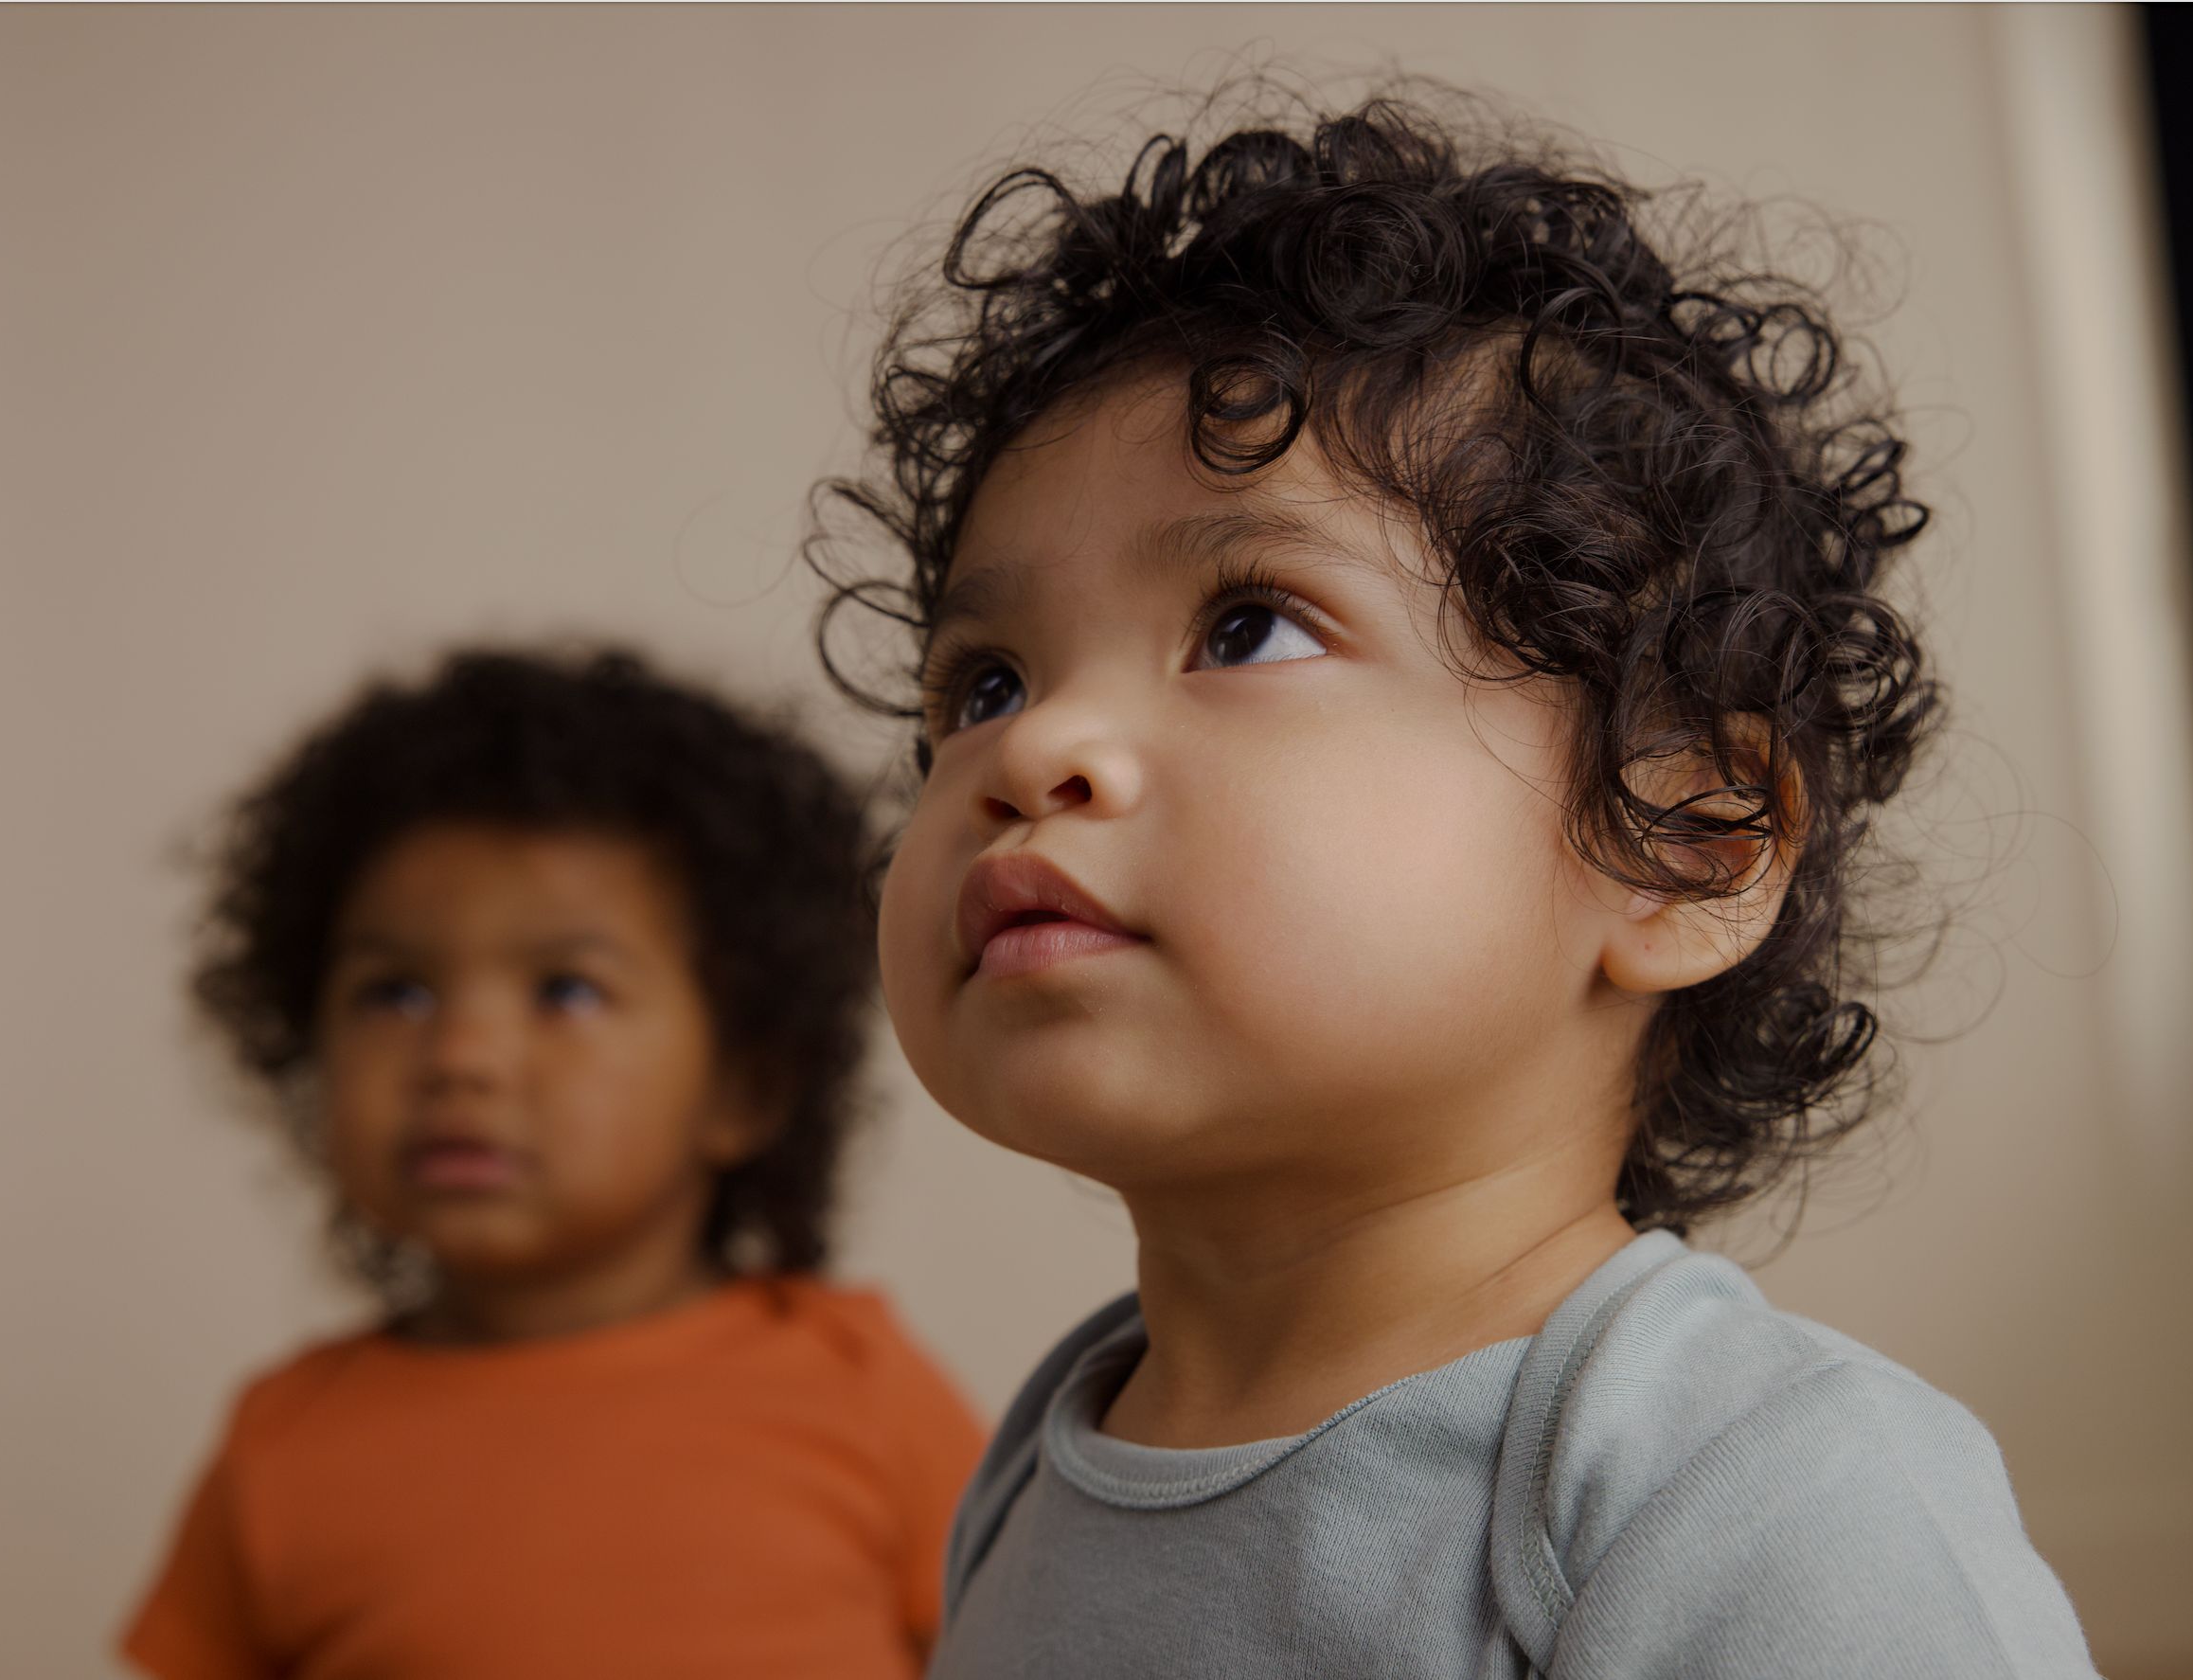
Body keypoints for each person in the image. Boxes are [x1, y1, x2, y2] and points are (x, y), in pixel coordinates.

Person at [821, 87, 2101, 1676]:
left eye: (1245, 627)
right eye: (985, 683)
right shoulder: (1034, 1463)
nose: (1034, 749)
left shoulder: (1739, 1481)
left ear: (1681, 834)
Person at [124, 647, 983, 1680]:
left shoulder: (863, 1392)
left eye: (566, 990)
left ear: (742, 1088)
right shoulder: (282, 1448)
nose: (461, 1057)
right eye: (395, 991)